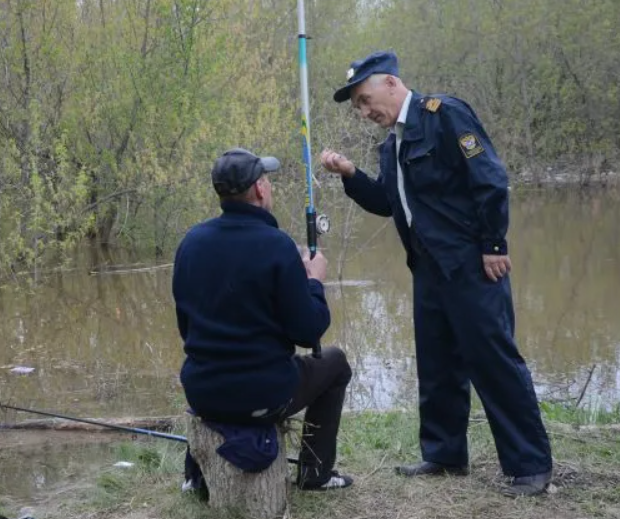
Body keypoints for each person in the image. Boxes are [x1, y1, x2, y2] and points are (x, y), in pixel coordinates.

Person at [320, 51, 553, 497]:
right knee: (437, 364)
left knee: (493, 362)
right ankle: (444, 454)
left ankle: (530, 466)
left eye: (367, 100)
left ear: (391, 83)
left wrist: (493, 244)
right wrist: (350, 175)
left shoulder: (444, 115)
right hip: (427, 269)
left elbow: (489, 178)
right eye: (358, 108)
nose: (366, 112)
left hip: (470, 264)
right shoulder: (392, 145)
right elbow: (388, 204)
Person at [172, 147, 354, 491]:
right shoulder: (277, 245)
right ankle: (316, 474)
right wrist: (314, 281)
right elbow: (309, 330)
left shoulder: (190, 243)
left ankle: (194, 477)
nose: (269, 186)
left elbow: (186, 328)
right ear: (259, 189)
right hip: (264, 397)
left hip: (202, 394)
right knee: (336, 363)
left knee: (212, 365)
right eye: (267, 180)